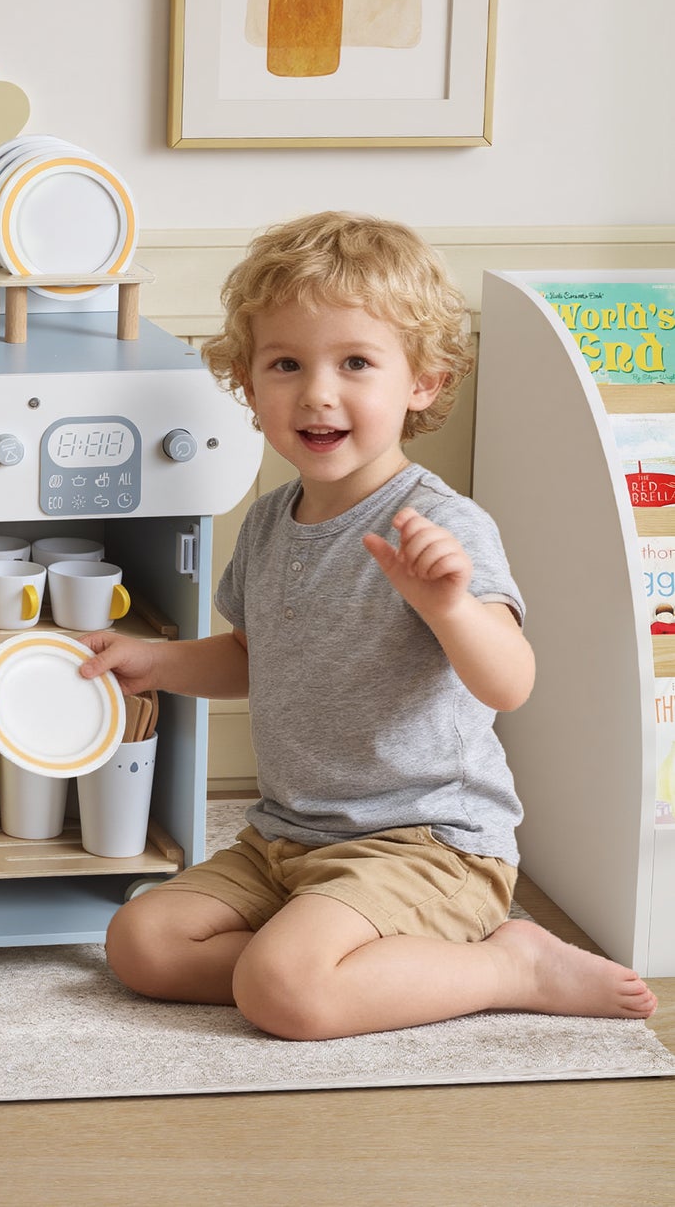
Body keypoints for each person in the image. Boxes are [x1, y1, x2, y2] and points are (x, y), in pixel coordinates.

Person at [80, 211, 657, 1039]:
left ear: (421, 381)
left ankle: (511, 964)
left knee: (286, 992)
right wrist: (156, 664)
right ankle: (317, 959)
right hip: (287, 837)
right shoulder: (270, 521)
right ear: (248, 384)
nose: (318, 391)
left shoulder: (441, 526)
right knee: (142, 944)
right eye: (286, 364)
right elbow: (253, 656)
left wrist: (449, 607)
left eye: (355, 363)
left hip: (428, 844)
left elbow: (511, 682)